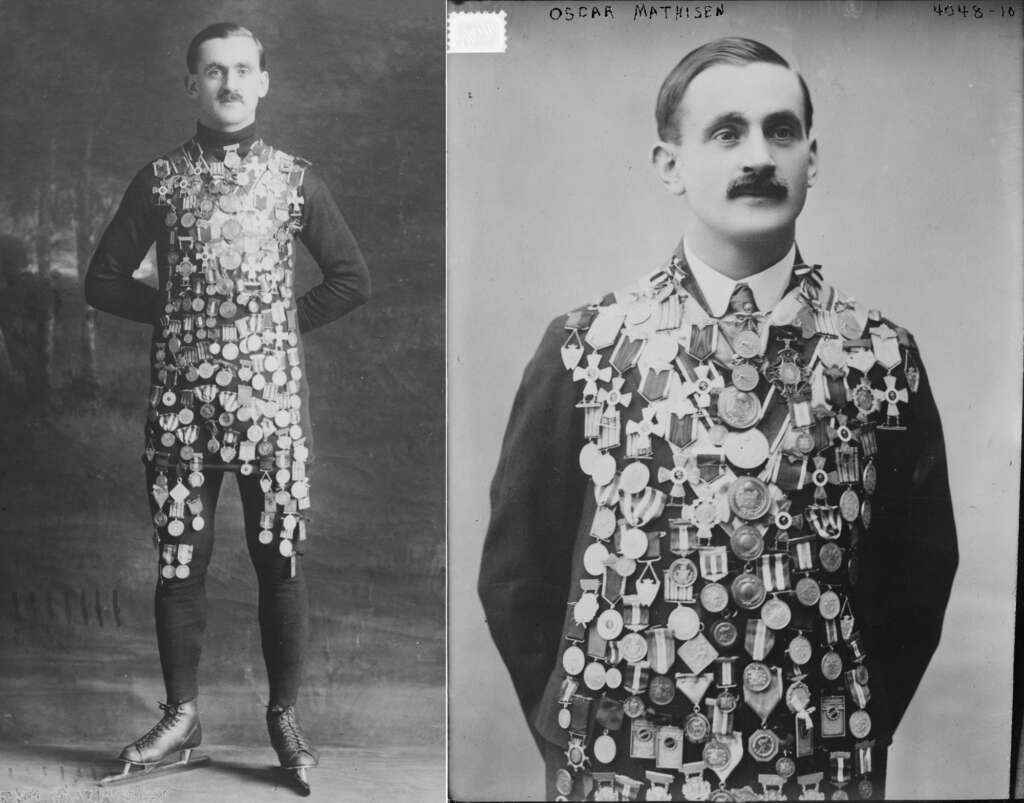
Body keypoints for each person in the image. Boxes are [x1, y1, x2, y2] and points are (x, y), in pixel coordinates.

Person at [479, 37, 956, 801]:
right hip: (619, 759)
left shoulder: (880, 357)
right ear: (669, 164)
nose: (759, 156)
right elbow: (515, 572)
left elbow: (918, 576)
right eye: (727, 133)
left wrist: (848, 721)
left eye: (782, 132)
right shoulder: (588, 346)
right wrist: (575, 726)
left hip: (816, 760)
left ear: (812, 158)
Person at [85, 22, 369, 792]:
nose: (230, 83)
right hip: (182, 411)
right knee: (181, 560)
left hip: (273, 409)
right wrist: (180, 314)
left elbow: (350, 278)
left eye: (243, 70)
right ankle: (182, 717)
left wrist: (272, 324)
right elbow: (102, 279)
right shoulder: (161, 181)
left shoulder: (295, 180)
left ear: (265, 81)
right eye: (214, 71)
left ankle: (284, 717)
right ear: (192, 86)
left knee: (280, 561)